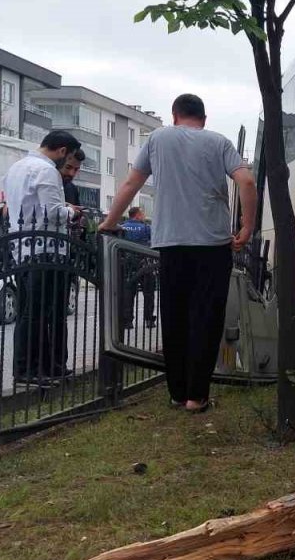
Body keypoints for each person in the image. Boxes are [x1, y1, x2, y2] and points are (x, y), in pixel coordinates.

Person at [101, 94, 257, 413]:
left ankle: (176, 392)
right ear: (204, 117)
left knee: (175, 317)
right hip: (213, 245)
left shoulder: (158, 138)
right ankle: (196, 397)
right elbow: (247, 181)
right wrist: (247, 226)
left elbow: (132, 182)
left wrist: (109, 223)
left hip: (171, 244)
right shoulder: (218, 142)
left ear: (175, 115)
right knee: (206, 318)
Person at [4, 130, 83, 385]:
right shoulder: (46, 170)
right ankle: (29, 370)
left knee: (30, 309)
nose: (67, 164)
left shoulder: (17, 167)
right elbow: (53, 213)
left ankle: (37, 367)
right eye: (68, 158)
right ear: (62, 151)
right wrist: (71, 212)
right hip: (45, 248)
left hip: (22, 246)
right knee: (38, 312)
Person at [120, 206, 157, 329]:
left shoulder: (122, 227)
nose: (144, 216)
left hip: (128, 263)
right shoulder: (146, 228)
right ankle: (149, 320)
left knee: (128, 292)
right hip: (145, 262)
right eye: (143, 214)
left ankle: (127, 321)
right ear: (137, 215)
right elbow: (153, 242)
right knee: (148, 293)